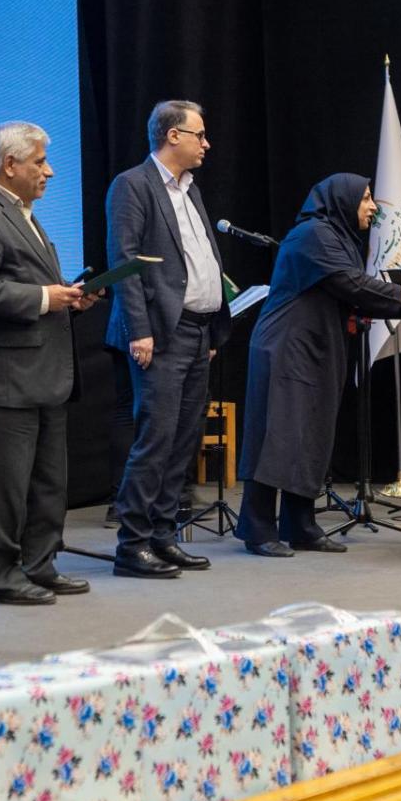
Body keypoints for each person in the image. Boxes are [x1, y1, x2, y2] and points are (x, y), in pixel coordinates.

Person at [232, 174, 401, 557]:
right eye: (365, 198)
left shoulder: (338, 237)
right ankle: (257, 527)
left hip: (316, 348)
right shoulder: (314, 234)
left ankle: (300, 525)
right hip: (286, 348)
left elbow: (353, 290)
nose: (373, 206)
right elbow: (351, 284)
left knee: (310, 436)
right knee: (276, 437)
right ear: (341, 200)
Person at [0, 122, 95, 604]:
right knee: (6, 485)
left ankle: (40, 565)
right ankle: (2, 575)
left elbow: (22, 281)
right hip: (5, 376)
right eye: (39, 162)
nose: (49, 171)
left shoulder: (23, 214)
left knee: (48, 481)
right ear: (9, 165)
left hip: (43, 372)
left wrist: (69, 297)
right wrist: (45, 297)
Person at [104, 100, 229, 579]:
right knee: (155, 439)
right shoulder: (133, 185)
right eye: (200, 134)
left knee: (183, 440)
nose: (207, 144)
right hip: (159, 334)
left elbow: (199, 259)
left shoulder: (190, 189)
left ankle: (163, 536)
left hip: (197, 331)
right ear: (173, 135)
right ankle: (132, 544)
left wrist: (212, 326)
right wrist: (139, 330)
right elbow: (125, 262)